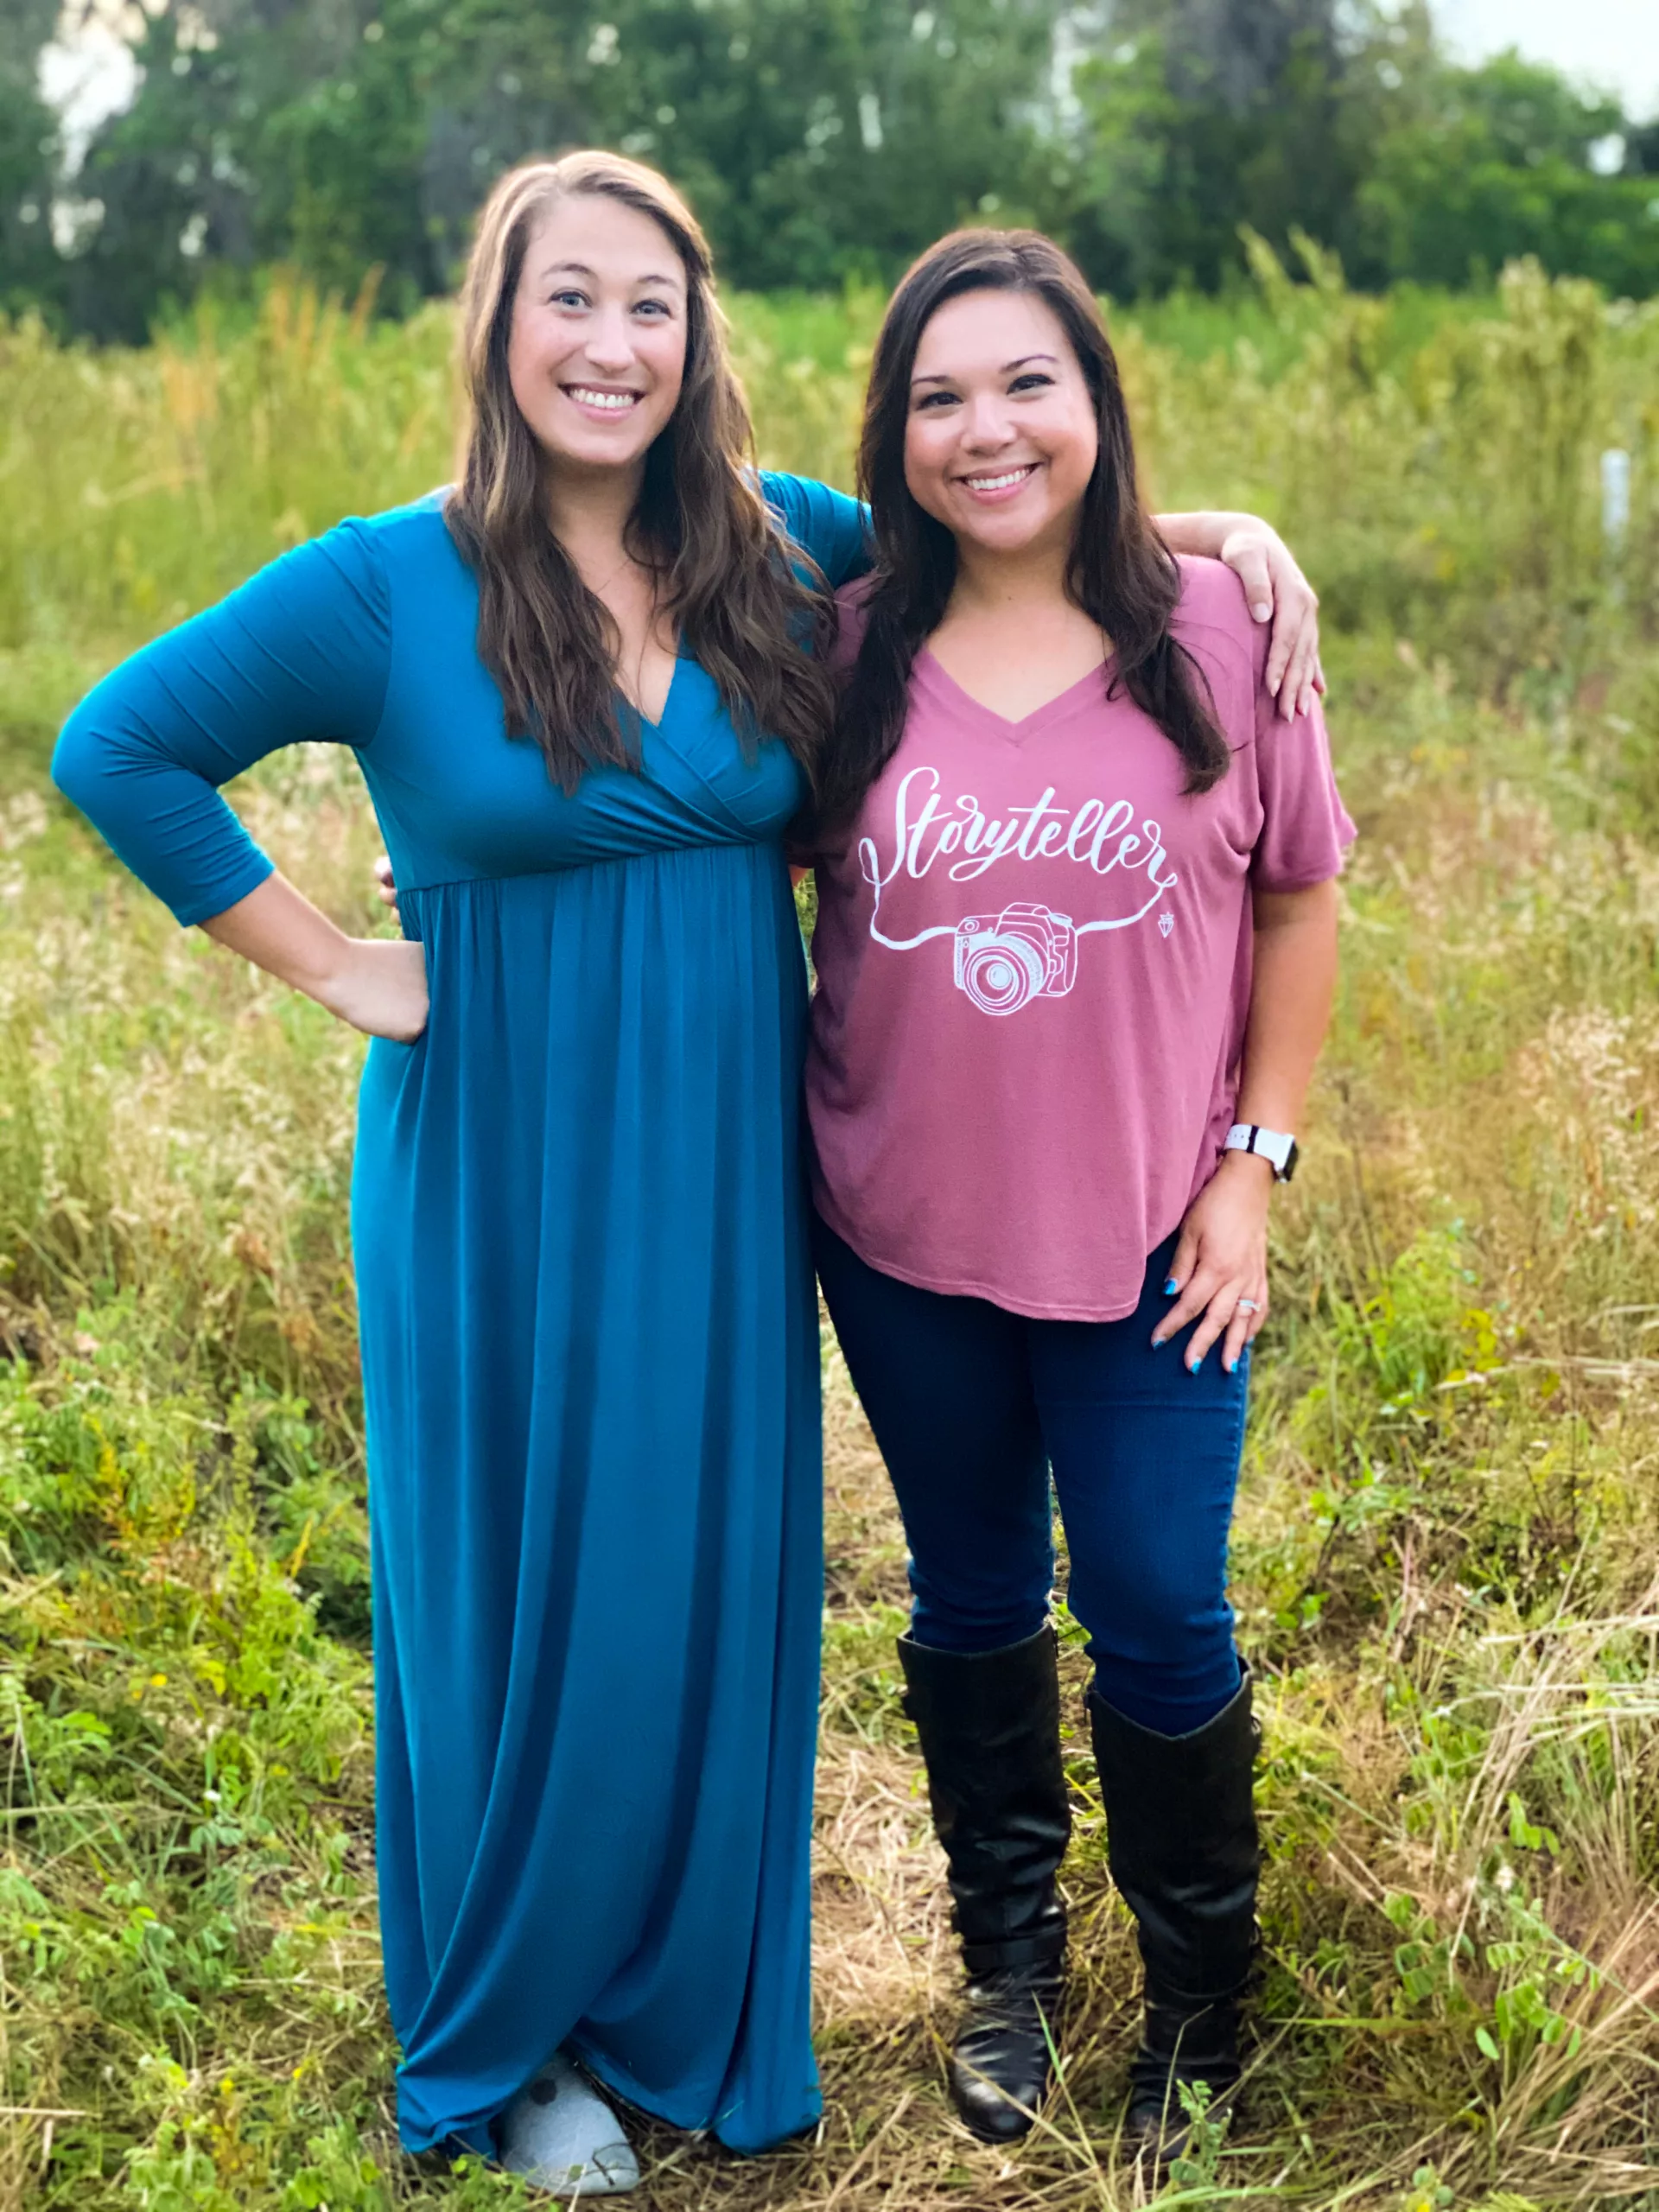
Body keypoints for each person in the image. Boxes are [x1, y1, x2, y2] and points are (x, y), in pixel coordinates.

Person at [57, 152, 1322, 2198]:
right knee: (521, 1588)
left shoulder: (772, 547)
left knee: (701, 1579)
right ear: (498, 324)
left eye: (650, 305)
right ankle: (515, 2029)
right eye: (569, 301)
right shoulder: (388, 580)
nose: (611, 347)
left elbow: (993, 522)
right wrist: (339, 962)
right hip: (505, 1164)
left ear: (697, 333)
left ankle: (678, 2001)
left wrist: (1226, 536)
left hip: (739, 1167)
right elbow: (118, 745)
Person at [801, 229, 1354, 2160]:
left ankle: (1200, 2002)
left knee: (1152, 1603)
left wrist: (1253, 1168)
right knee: (967, 1595)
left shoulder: (1221, 625)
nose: (988, 427)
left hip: (1154, 1240)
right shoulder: (841, 641)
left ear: (1100, 401)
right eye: (941, 394)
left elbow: (1297, 895)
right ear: (897, 434)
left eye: (1029, 380)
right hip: (899, 1230)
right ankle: (1012, 1968)